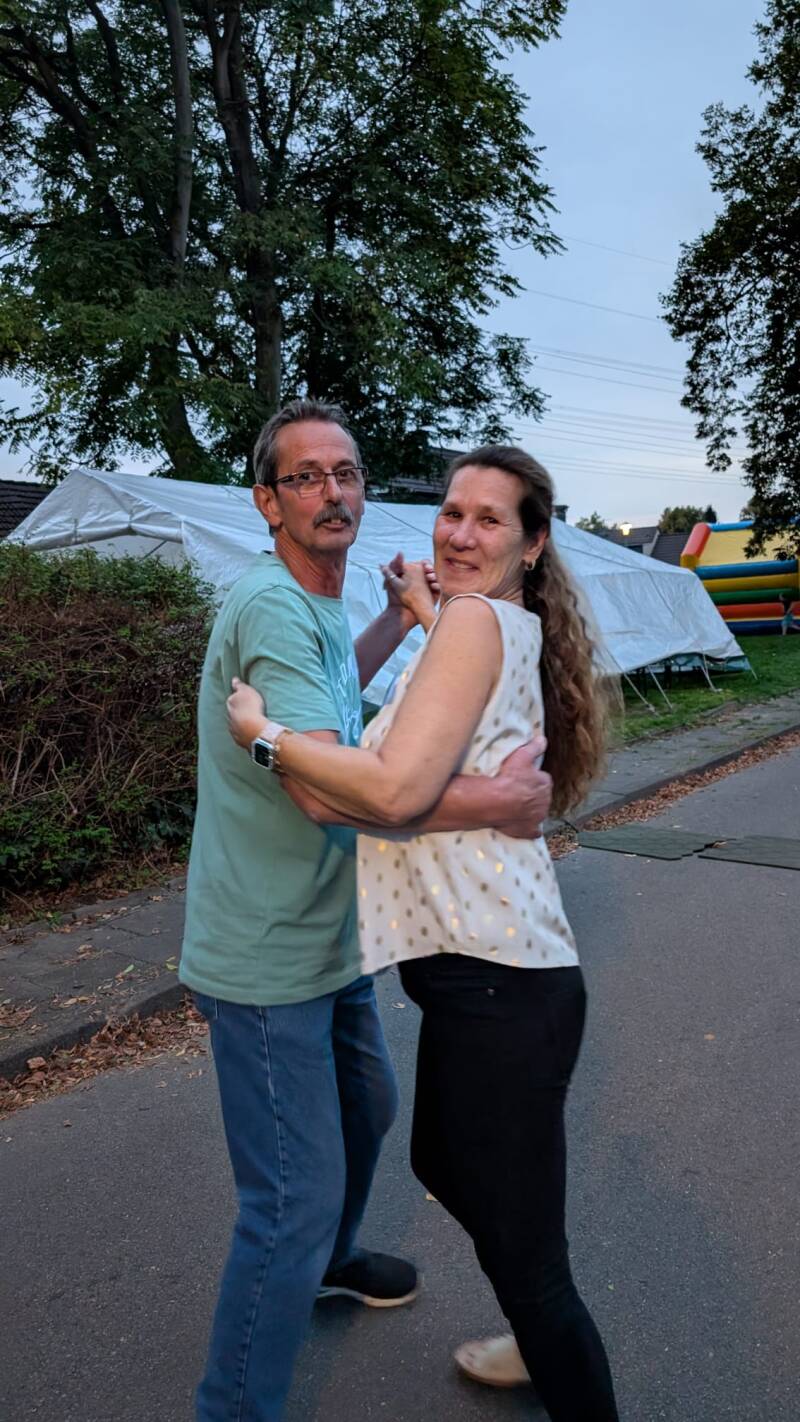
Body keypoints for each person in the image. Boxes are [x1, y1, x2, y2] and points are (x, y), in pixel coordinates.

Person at [227, 443, 619, 1422]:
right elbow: (435, 730)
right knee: (440, 1160)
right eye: (450, 511)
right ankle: (540, 1319)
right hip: (475, 982)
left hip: (503, 988)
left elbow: (388, 792)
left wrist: (265, 737)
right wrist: (416, 613)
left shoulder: (477, 621)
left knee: (535, 1267)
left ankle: (549, 1342)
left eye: (489, 519)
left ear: (533, 544)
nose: (459, 532)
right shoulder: (478, 623)